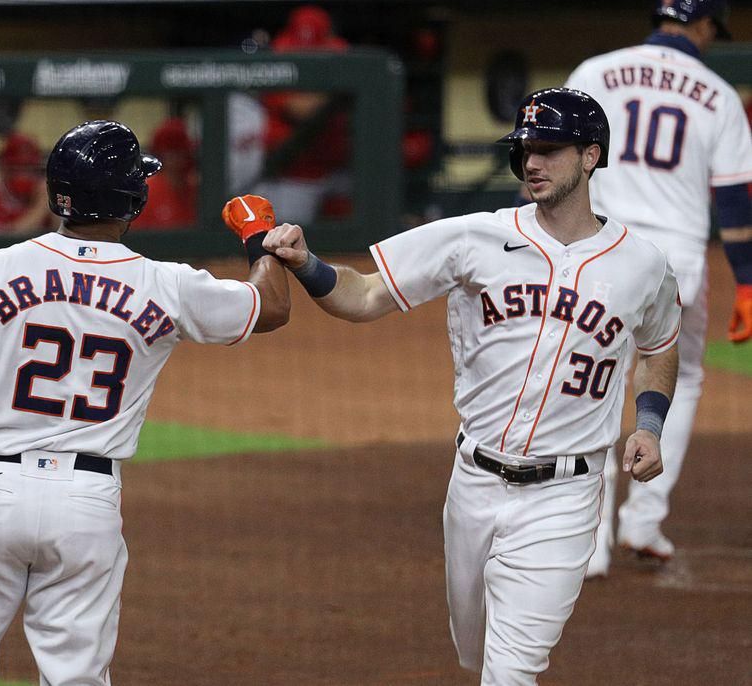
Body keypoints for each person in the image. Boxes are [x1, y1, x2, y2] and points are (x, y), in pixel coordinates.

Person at [263, 88, 682, 684]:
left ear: (591, 156)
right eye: (524, 150)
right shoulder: (472, 237)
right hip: (473, 484)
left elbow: (660, 343)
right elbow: (363, 297)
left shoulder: (642, 263)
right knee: (476, 649)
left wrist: (649, 424)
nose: (531, 163)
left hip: (565, 495)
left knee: (511, 670)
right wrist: (308, 265)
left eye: (548, 149)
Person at [0, 120, 290, 685]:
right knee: (76, 679)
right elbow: (272, 307)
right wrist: (260, 237)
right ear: (132, 198)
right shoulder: (166, 284)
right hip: (87, 505)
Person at [564, 0, 752, 577]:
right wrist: (747, 282)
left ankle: (587, 542)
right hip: (678, 265)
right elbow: (735, 200)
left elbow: (559, 165)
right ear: (703, 26)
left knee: (588, 383)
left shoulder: (594, 71)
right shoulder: (719, 95)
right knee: (683, 377)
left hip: (602, 251)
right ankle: (644, 521)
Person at [254, 4, 352, 224]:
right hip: (293, 175)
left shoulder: (340, 54)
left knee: (353, 244)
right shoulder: (276, 63)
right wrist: (335, 87)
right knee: (289, 242)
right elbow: (300, 109)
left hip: (336, 168)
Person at [0, 131, 56, 236]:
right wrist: (40, 209)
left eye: (29, 168)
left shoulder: (43, 194)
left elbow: (63, 239)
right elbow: (4, 242)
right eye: (17, 168)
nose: (24, 175)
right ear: (2, 167)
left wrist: (53, 203)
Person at [129, 117, 197, 231]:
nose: (175, 157)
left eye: (180, 151)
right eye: (170, 151)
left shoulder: (195, 189)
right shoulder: (146, 190)